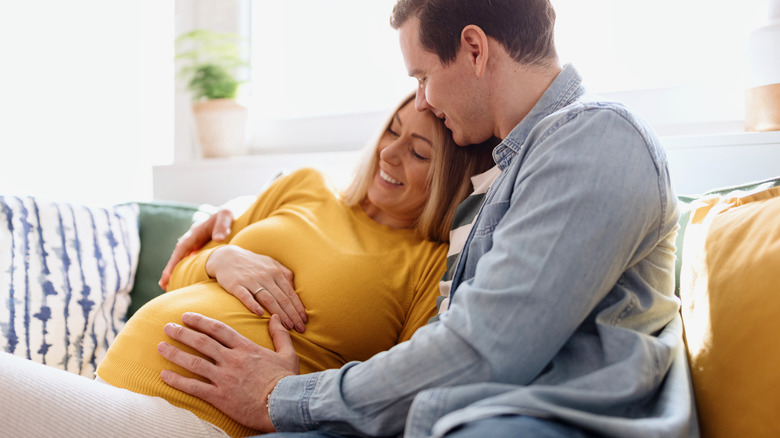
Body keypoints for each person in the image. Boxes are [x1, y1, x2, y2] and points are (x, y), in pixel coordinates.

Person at [153, 1, 697, 437]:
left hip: (536, 420)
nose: (425, 100)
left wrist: (284, 398)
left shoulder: (594, 137)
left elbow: (482, 350)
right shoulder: (498, 182)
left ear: (475, 48)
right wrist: (223, 229)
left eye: (423, 76)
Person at [0, 92, 496, 437]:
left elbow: (399, 391)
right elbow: (177, 274)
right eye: (392, 129)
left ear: (449, 177)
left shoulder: (430, 264)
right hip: (115, 389)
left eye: (418, 152)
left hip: (199, 420)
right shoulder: (304, 185)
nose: (390, 152)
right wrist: (223, 257)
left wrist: (291, 391)